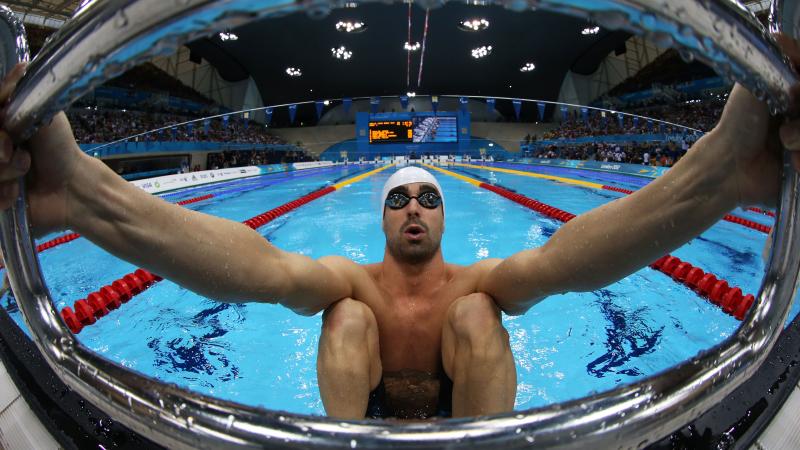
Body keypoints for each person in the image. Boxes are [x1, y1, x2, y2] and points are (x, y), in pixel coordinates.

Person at [1, 34, 800, 421]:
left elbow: (566, 258)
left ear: (446, 211)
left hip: (469, 415)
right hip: (364, 419)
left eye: (423, 198)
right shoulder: (354, 283)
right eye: (396, 199)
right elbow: (259, 266)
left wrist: (713, 178)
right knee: (340, 315)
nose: (412, 207)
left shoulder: (474, 282)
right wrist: (88, 199)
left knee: (480, 313)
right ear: (377, 217)